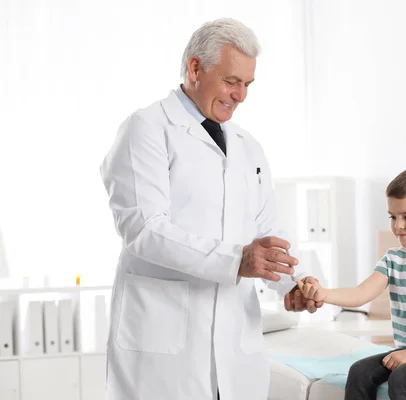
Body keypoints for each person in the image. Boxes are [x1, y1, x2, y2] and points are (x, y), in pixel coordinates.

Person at [100, 18, 322, 400]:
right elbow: (144, 229)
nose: (240, 95)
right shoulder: (147, 129)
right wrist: (237, 260)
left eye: (248, 85)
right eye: (231, 81)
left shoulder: (248, 146)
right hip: (164, 347)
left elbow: (266, 229)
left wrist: (292, 283)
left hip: (236, 346)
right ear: (195, 69)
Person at [298, 166, 406, 400]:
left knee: (404, 377)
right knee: (360, 371)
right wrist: (323, 293)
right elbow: (362, 293)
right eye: (393, 217)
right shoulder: (393, 259)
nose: (398, 225)